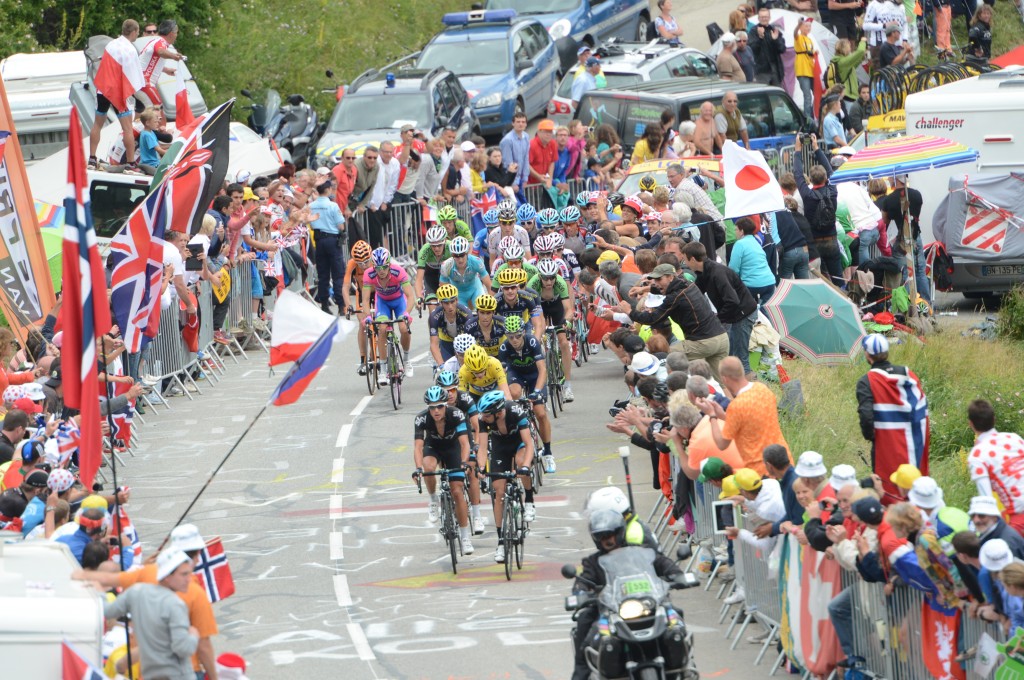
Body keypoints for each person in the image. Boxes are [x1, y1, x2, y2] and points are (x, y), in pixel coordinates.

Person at [616, 264, 730, 379]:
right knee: (721, 382)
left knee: (661, 355)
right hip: (721, 337)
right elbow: (666, 289)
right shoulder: (687, 283)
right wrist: (644, 289)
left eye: (659, 279)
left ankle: (660, 389)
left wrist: (629, 311)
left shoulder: (675, 297)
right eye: (654, 280)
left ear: (670, 277)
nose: (656, 283)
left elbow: (652, 318)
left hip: (704, 342)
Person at [103, 550, 200, 680]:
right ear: (168, 577)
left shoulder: (138, 593)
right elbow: (183, 649)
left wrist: (98, 589)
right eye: (184, 574)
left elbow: (108, 611)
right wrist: (194, 635)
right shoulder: (175, 605)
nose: (189, 579)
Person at [856, 334, 930, 499]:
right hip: (914, 438)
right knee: (914, 481)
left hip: (886, 440)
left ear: (867, 355)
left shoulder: (867, 381)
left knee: (888, 486)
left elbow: (866, 416)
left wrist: (871, 436)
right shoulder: (908, 374)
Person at [696, 357, 791, 476]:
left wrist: (712, 415)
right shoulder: (763, 389)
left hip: (760, 471)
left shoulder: (736, 406)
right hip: (784, 461)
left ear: (725, 378)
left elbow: (721, 444)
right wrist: (724, 416)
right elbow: (749, 422)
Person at [476, 390, 535, 563]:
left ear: (499, 412)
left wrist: (525, 466)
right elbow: (482, 448)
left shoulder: (516, 412)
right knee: (498, 492)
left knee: (520, 461)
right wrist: (481, 467)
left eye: (487, 415)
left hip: (519, 443)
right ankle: (501, 541)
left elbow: (529, 444)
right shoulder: (484, 420)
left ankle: (529, 499)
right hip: (500, 446)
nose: (483, 418)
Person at [681, 242, 758, 374]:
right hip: (733, 314)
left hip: (744, 313)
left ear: (692, 259)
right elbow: (693, 291)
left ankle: (748, 387)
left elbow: (733, 301)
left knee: (740, 356)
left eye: (685, 260)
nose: (685, 264)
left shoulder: (717, 273)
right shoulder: (704, 272)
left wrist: (717, 319)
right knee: (731, 353)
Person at [414, 386, 474, 553]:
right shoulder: (421, 419)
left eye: (440, 406)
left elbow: (464, 443)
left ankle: (465, 537)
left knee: (457, 491)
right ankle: (433, 499)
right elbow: (418, 447)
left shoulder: (456, 414)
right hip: (433, 447)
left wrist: (464, 463)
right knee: (428, 466)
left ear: (446, 405)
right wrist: (418, 469)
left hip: (453, 448)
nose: (436, 411)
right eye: (432, 407)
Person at [498, 314, 555, 472]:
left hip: (534, 375)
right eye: (510, 336)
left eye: (517, 336)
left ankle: (548, 452)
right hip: (517, 374)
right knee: (514, 393)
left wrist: (536, 392)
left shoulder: (532, 342)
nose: (514, 340)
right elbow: (501, 375)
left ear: (523, 333)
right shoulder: (504, 348)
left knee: (540, 413)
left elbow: (542, 369)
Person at [89, 20, 144, 171]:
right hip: (118, 92)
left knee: (97, 125)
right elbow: (134, 76)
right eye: (138, 32)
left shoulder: (111, 44)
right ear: (133, 32)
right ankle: (131, 163)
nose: (137, 35)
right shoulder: (130, 50)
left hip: (103, 89)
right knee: (127, 128)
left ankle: (92, 159)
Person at [967, 399, 1024, 536]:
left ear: (971, 424)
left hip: (1019, 517)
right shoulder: (1014, 438)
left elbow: (987, 500)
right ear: (994, 419)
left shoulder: (977, 455)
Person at [793, 133, 844, 287]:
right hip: (832, 240)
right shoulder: (833, 190)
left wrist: (798, 149)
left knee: (820, 281)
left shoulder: (808, 195)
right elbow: (830, 170)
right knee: (838, 279)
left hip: (814, 244)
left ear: (811, 179)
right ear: (826, 179)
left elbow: (797, 175)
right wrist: (816, 148)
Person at [362, 247, 415, 385]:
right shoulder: (368, 274)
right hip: (383, 302)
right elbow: (366, 300)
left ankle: (407, 360)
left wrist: (406, 314)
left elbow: (410, 297)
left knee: (403, 328)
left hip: (399, 302)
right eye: (378, 268)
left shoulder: (399, 271)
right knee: (382, 329)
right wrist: (367, 316)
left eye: (384, 267)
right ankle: (383, 370)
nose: (381, 271)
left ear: (389, 264)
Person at [880, 174, 929, 304]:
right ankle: (926, 306)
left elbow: (885, 220)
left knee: (906, 273)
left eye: (891, 178)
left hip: (900, 240)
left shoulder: (889, 200)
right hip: (915, 236)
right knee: (920, 272)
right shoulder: (917, 195)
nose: (889, 180)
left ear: (896, 179)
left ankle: (910, 306)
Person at [309, 179, 346, 314]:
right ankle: (341, 305)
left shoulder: (311, 205)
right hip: (332, 239)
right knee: (338, 273)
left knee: (323, 273)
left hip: (319, 240)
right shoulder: (333, 206)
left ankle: (324, 304)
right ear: (329, 189)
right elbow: (340, 225)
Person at [728, 217, 775, 310]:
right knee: (766, 312)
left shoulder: (739, 244)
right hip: (769, 282)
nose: (735, 232)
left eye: (736, 229)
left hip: (752, 285)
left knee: (747, 312)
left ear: (742, 231)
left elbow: (733, 269)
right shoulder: (756, 242)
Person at [138, 20, 185, 107]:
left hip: (140, 82)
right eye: (176, 33)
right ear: (171, 34)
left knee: (143, 111)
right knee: (158, 109)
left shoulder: (157, 41)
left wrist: (165, 70)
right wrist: (174, 56)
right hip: (145, 82)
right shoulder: (161, 42)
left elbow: (150, 61)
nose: (176, 35)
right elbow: (160, 51)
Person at [428, 284, 472, 367]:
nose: (450, 307)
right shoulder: (435, 316)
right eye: (446, 303)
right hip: (445, 343)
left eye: (452, 302)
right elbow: (434, 344)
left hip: (463, 343)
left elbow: (472, 341)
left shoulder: (466, 314)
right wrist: (441, 365)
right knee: (446, 369)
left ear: (457, 300)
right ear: (441, 303)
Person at [747, 8, 786, 86]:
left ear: (769, 17)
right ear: (758, 18)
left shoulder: (774, 30)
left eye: (766, 17)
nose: (764, 19)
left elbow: (782, 49)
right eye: (762, 17)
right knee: (764, 93)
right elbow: (752, 50)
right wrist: (760, 38)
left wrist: (775, 40)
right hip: (761, 70)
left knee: (776, 93)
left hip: (775, 68)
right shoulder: (753, 31)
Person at [500, 113, 530, 198]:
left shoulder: (526, 137)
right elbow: (508, 163)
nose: (521, 124)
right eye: (518, 122)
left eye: (523, 122)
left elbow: (526, 159)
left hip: (521, 179)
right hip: (511, 180)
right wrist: (513, 182)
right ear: (513, 123)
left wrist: (525, 178)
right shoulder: (507, 140)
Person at [793, 19, 817, 122]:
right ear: (801, 27)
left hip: (811, 69)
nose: (808, 28)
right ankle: (808, 118)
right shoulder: (799, 37)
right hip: (802, 70)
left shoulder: (810, 40)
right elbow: (795, 33)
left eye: (809, 26)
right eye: (806, 26)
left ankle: (813, 114)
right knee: (807, 95)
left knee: (815, 94)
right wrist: (798, 25)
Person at [529, 120, 558, 189]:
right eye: (546, 132)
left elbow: (552, 162)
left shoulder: (553, 144)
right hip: (530, 185)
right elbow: (526, 165)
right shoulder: (532, 145)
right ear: (539, 132)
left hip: (543, 184)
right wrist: (538, 176)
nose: (548, 134)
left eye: (550, 132)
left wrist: (550, 179)